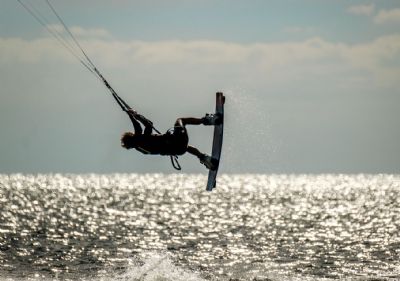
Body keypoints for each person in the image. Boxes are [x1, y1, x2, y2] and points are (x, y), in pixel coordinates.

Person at [121, 109, 221, 170]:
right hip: (178, 140)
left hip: (178, 150)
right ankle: (208, 120)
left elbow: (141, 128)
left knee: (186, 148)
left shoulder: (140, 148)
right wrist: (134, 115)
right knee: (180, 120)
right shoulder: (140, 139)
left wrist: (132, 116)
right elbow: (147, 125)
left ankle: (206, 159)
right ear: (133, 137)